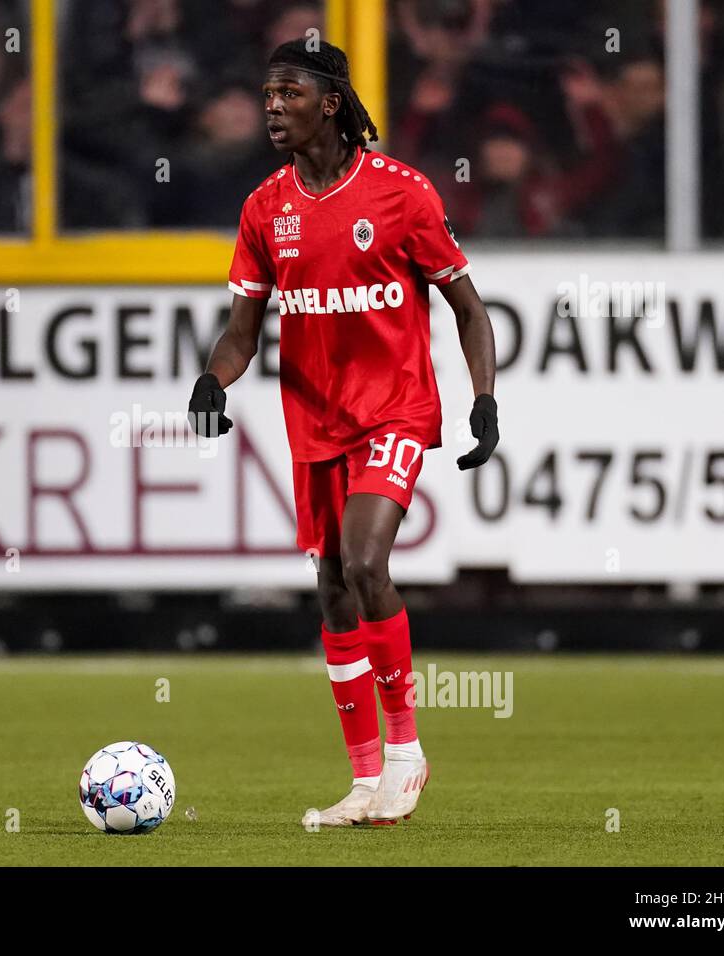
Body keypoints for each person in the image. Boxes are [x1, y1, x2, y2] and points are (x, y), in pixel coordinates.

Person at [187, 39, 498, 826]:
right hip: (313, 422)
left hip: (393, 408)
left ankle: (406, 754)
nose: (271, 108)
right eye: (265, 95)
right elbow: (241, 330)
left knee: (364, 563)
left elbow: (466, 306)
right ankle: (365, 781)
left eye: (287, 94)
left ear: (329, 103)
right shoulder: (266, 208)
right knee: (330, 592)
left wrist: (483, 399)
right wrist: (211, 380)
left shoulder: (401, 193)